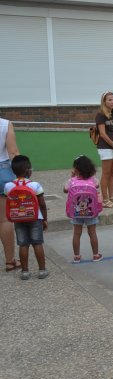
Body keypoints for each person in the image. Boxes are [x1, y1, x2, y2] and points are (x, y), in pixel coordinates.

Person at [4, 155, 48, 280]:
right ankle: (42, 270)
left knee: (23, 245)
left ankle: (25, 272)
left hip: (18, 219)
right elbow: (42, 204)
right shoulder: (35, 185)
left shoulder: (8, 186)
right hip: (35, 218)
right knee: (37, 243)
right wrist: (44, 219)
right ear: (29, 171)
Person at [64, 155, 102, 262]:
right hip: (91, 211)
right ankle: (96, 255)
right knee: (92, 233)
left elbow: (65, 190)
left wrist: (72, 176)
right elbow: (97, 186)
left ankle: (76, 256)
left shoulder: (71, 181)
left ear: (75, 169)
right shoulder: (94, 180)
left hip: (76, 212)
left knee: (76, 233)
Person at [95, 92, 113, 208]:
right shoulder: (101, 115)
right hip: (106, 148)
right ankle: (105, 199)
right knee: (106, 173)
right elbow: (102, 134)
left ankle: (112, 197)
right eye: (109, 100)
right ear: (104, 101)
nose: (112, 102)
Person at [0, 115, 20, 272]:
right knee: (4, 220)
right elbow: (13, 152)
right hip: (2, 172)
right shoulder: (5, 124)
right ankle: (9, 261)